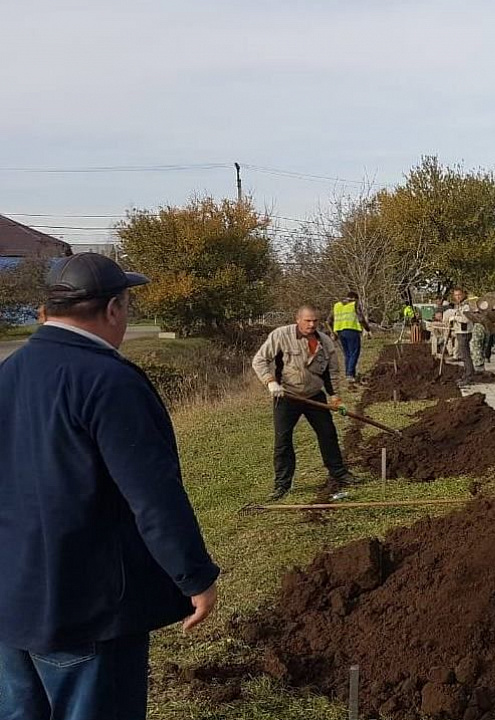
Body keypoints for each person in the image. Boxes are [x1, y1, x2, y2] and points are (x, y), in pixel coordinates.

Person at [0, 253, 220, 719]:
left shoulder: (10, 373)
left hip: (12, 602)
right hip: (87, 607)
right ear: (114, 309)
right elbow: (153, 496)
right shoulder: (108, 380)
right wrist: (194, 576)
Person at [252, 305, 360, 500]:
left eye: (315, 321)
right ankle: (282, 484)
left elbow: (331, 372)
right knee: (282, 439)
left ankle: (339, 472)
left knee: (327, 433)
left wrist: (335, 397)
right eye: (307, 320)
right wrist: (271, 382)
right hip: (286, 395)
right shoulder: (281, 335)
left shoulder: (325, 342)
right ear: (298, 319)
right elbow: (259, 360)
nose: (311, 325)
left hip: (313, 395)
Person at [329, 291, 370, 384]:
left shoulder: (337, 306)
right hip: (352, 330)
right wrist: (367, 329)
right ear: (355, 298)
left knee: (347, 354)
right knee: (354, 352)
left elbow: (329, 321)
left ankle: (350, 373)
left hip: (340, 332)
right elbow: (361, 319)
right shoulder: (354, 304)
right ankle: (350, 375)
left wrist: (333, 333)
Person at [443, 287, 475, 384]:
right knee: (464, 355)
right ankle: (466, 374)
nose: (457, 297)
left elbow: (465, 319)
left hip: (464, 333)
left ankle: (469, 377)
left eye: (459, 295)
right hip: (460, 332)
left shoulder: (466, 306)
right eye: (456, 295)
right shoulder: (460, 305)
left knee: (465, 356)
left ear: (463, 294)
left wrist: (454, 317)